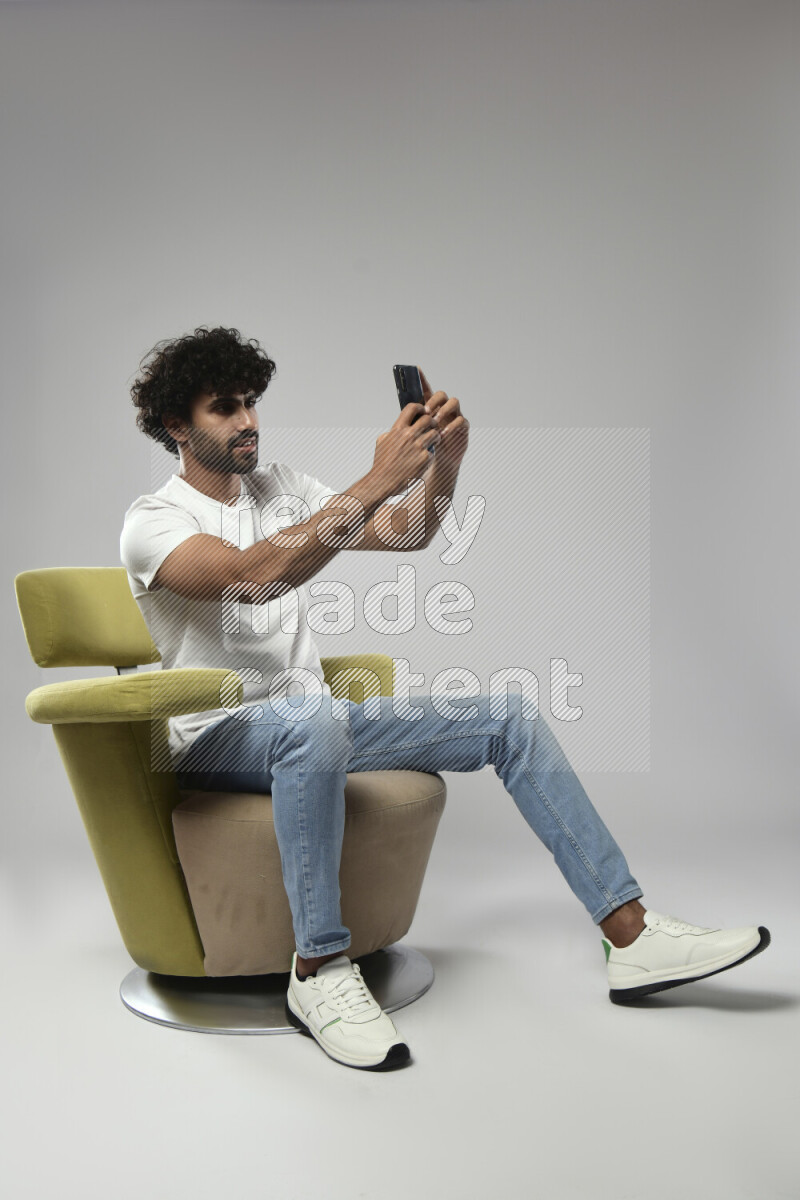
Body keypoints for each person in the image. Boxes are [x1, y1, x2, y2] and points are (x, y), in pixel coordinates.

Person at [120, 326, 769, 1071]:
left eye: (252, 404)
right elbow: (254, 575)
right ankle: (320, 972)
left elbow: (407, 533)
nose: (248, 423)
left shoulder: (282, 488)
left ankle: (632, 934)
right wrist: (373, 479)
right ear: (176, 425)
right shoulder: (152, 521)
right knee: (312, 718)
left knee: (507, 716)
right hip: (220, 737)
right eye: (224, 409)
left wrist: (441, 470)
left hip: (314, 722)